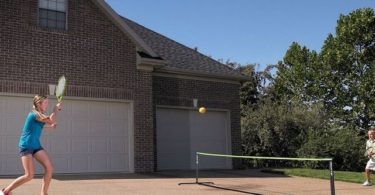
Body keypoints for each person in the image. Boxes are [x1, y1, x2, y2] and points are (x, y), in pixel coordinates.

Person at [2, 95, 62, 195]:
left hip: (35, 145)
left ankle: (44, 193)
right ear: (39, 104)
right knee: (29, 175)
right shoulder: (34, 114)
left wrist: (50, 127)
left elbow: (39, 126)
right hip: (26, 145)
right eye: (45, 102)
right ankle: (5, 191)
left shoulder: (40, 116)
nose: (47, 104)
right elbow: (51, 119)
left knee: (49, 168)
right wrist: (56, 109)